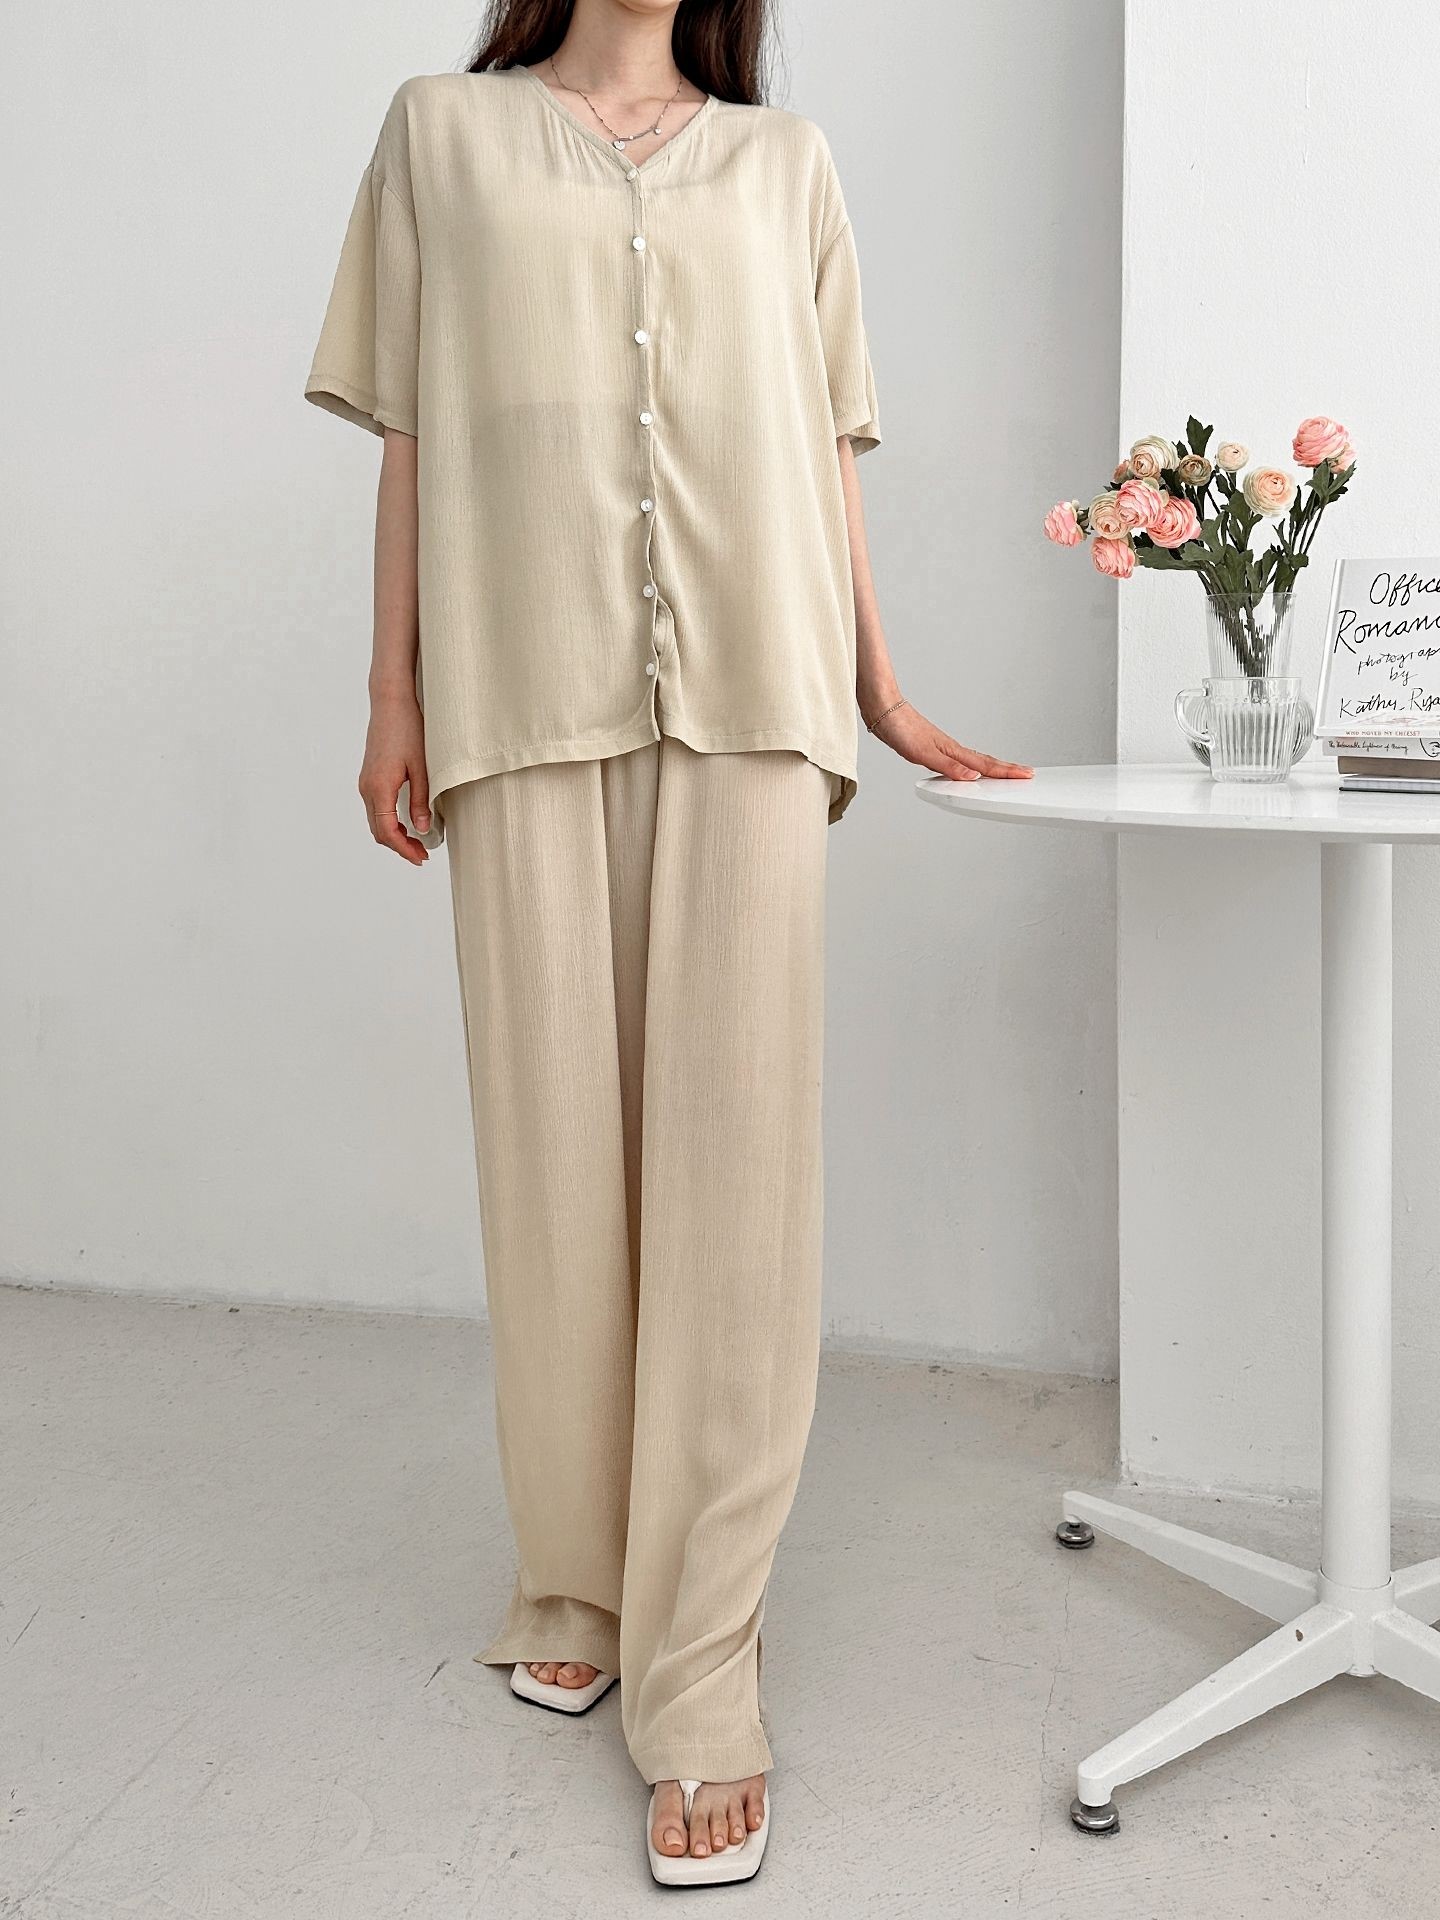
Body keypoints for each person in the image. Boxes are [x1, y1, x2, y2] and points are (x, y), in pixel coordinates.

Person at [305, 0, 1030, 1886]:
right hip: (518, 682)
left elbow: (827, 446)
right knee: (553, 1168)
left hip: (757, 694)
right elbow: (411, 429)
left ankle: (701, 1667)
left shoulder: (787, 164)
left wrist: (882, 691)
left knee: (735, 1186)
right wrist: (390, 693)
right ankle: (575, 1577)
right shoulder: (440, 133)